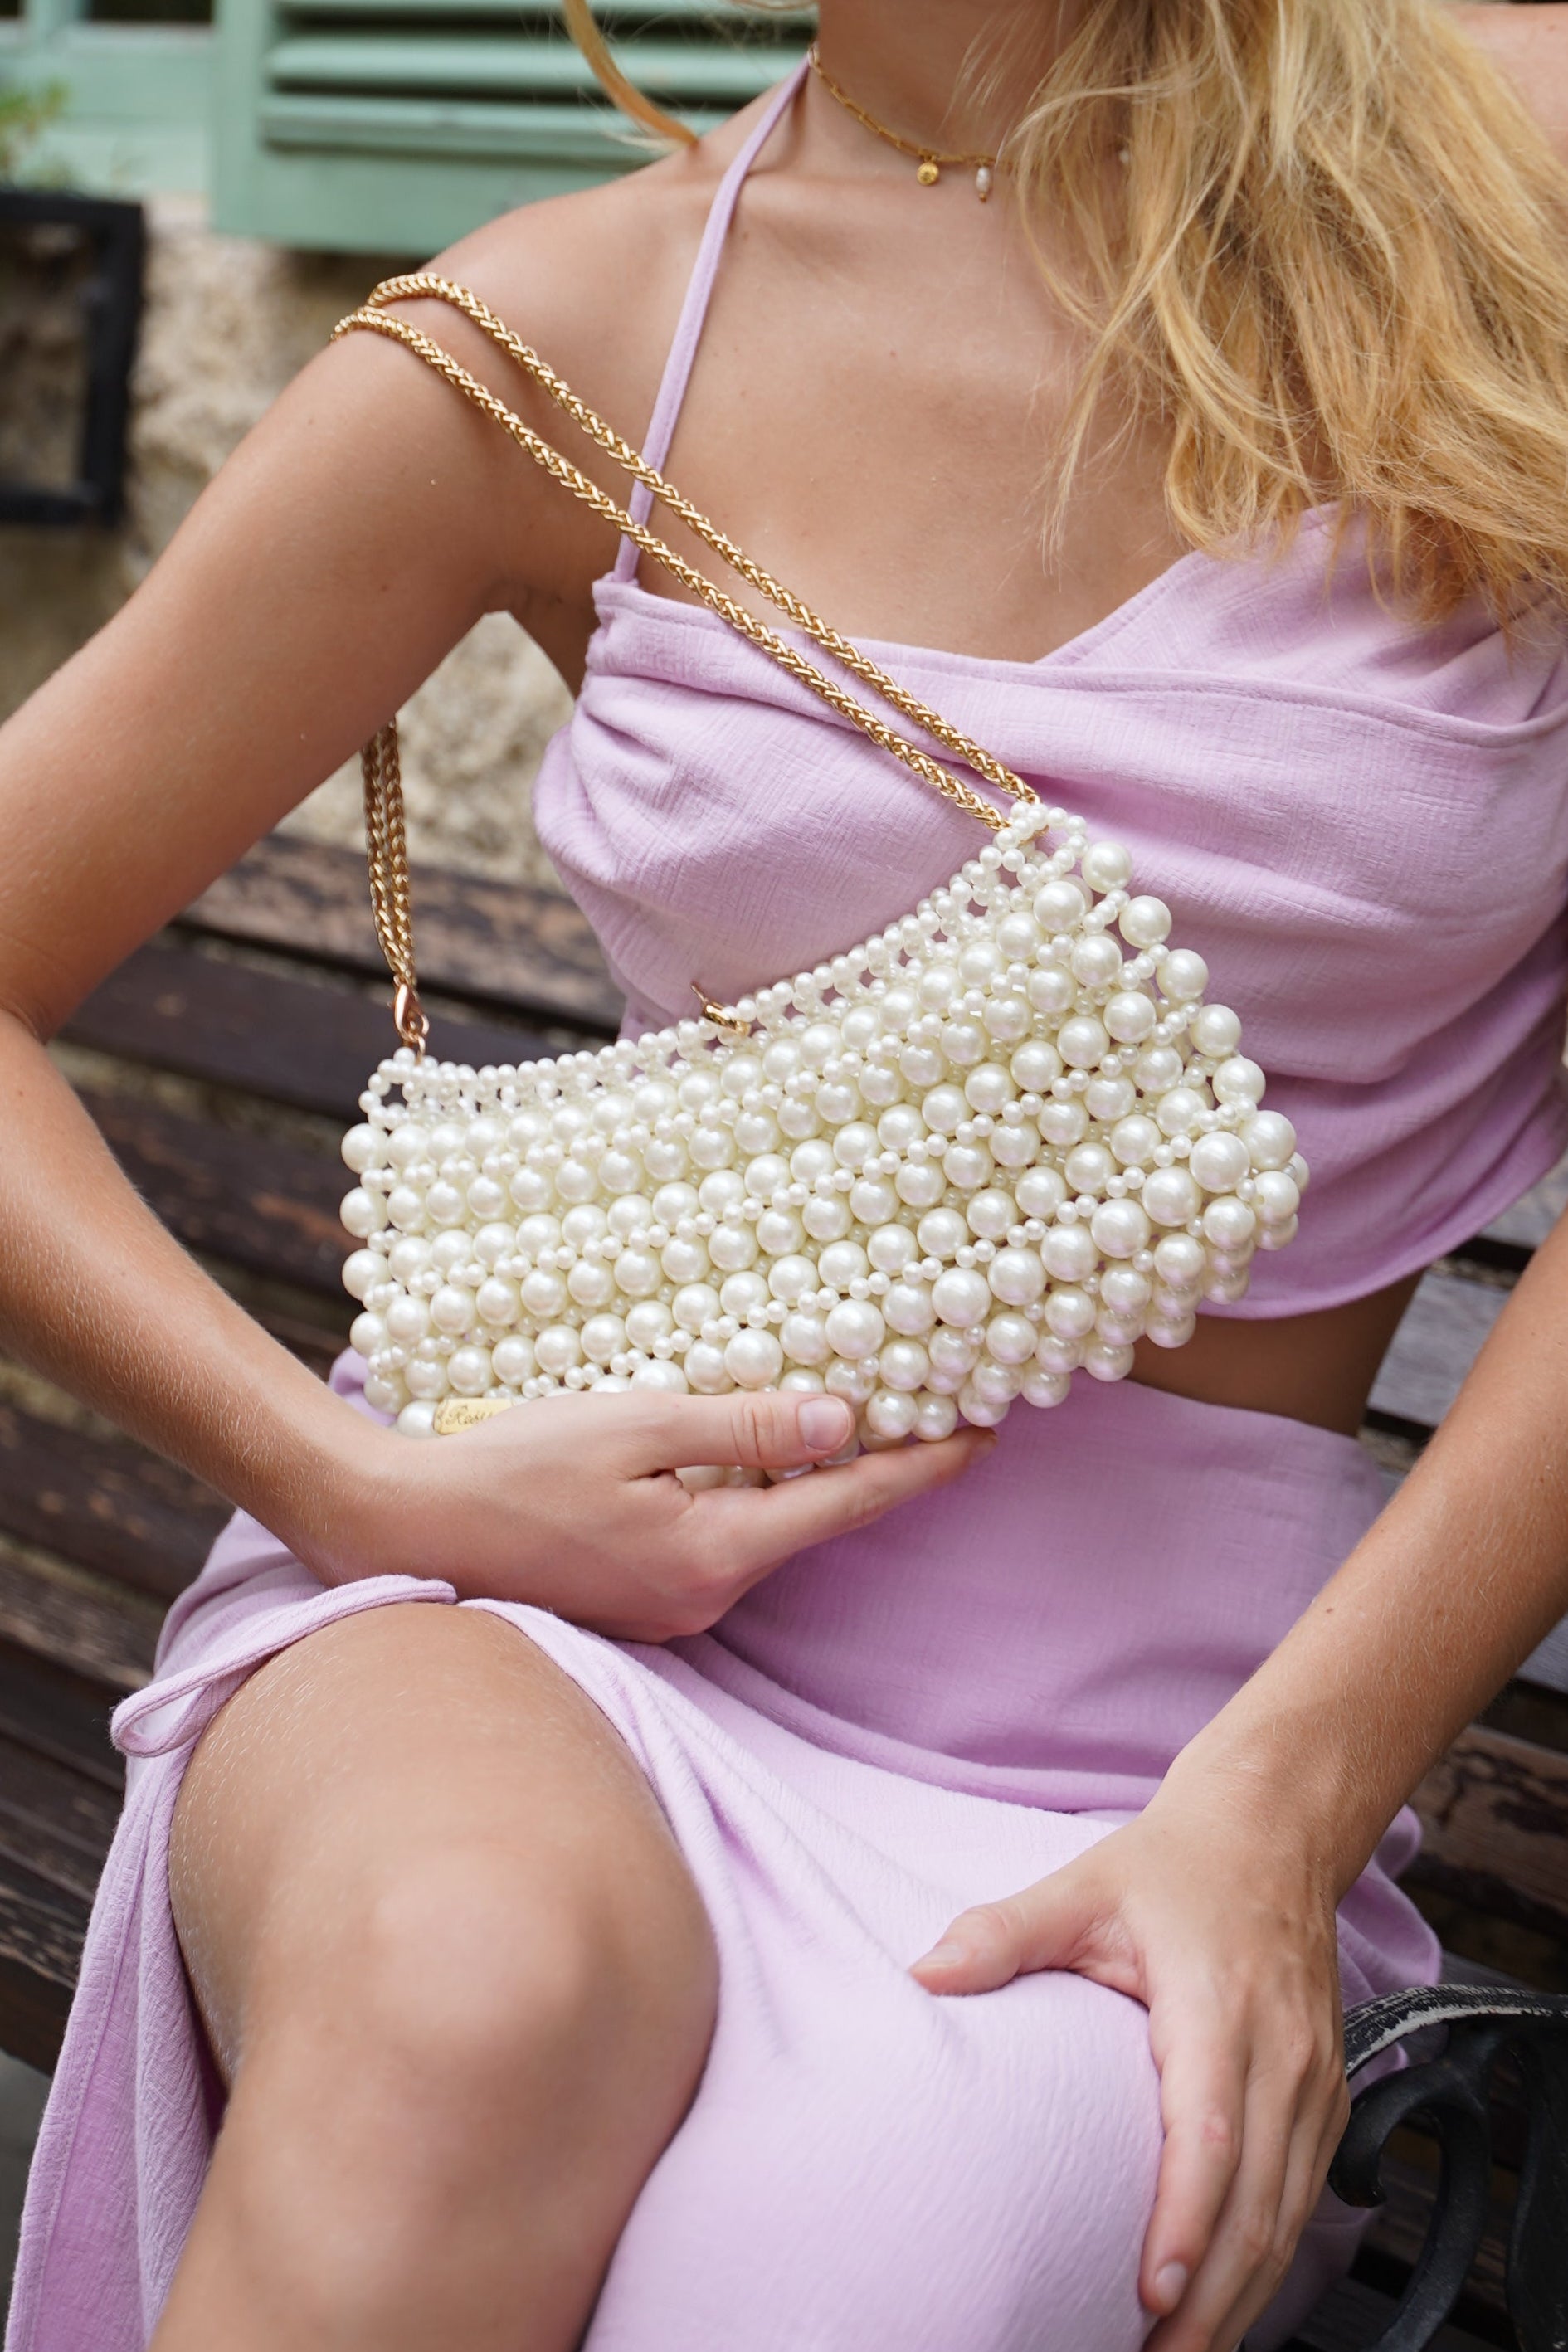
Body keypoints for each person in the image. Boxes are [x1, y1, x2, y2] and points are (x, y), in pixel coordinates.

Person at [8, 0, 1568, 2345]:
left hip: (1158, 1760)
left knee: (836, 2284)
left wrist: (1281, 1804)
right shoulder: (571, 332)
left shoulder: (1511, 159)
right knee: (462, 1994)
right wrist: (350, 1482)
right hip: (508, 1637)